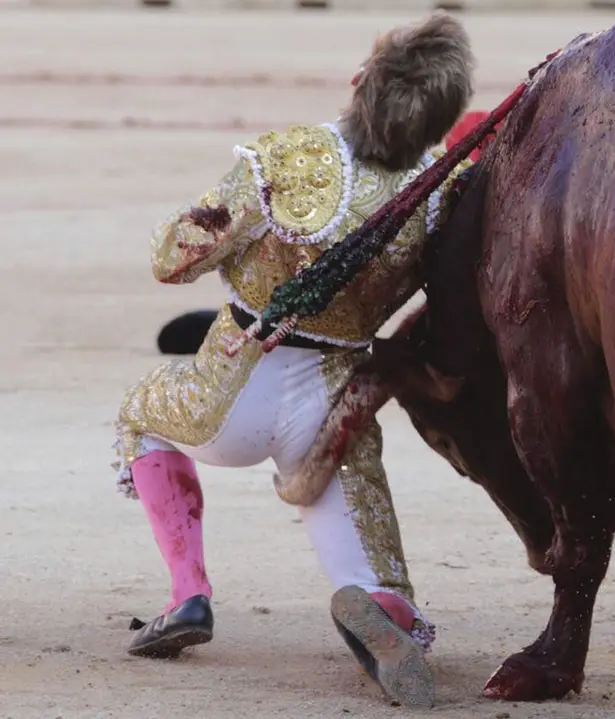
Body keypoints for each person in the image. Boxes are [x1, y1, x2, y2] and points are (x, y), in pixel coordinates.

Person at [111, 11, 475, 707]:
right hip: (332, 415)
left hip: (229, 388)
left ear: (360, 82)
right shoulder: (441, 194)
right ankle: (384, 609)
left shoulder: (284, 158)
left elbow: (171, 259)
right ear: (436, 124)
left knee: (141, 416)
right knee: (373, 577)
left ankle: (188, 593)